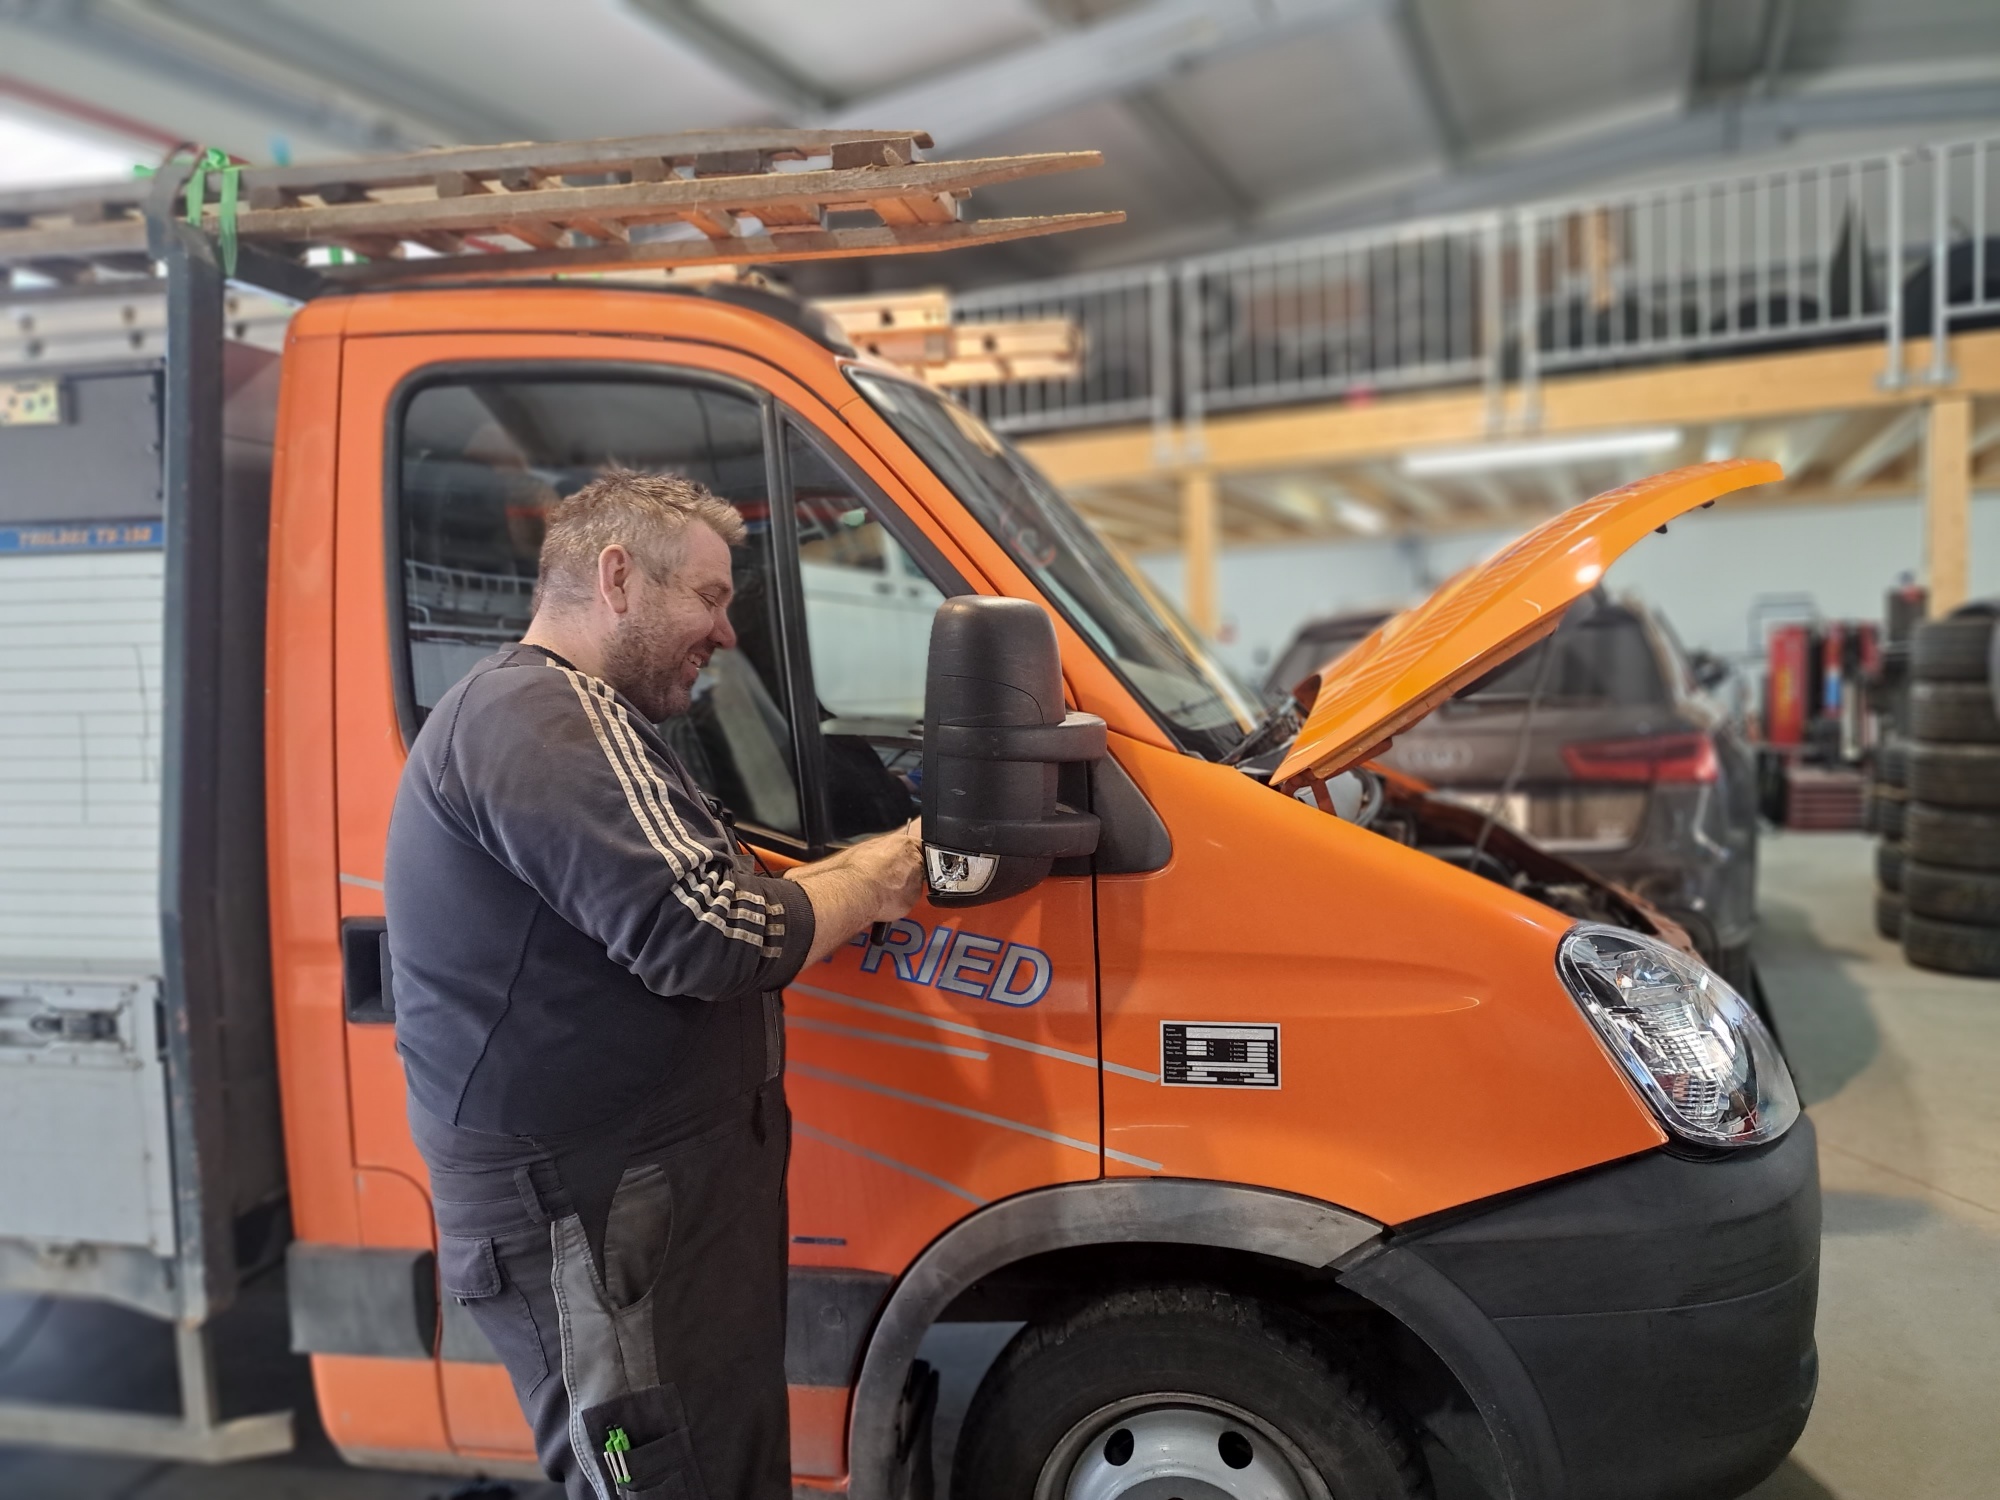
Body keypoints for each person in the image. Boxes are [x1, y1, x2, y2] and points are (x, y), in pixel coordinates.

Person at [385, 468, 925, 1500]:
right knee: (661, 1476)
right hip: (589, 1212)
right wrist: (881, 875)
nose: (726, 632)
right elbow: (709, 930)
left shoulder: (586, 721)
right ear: (619, 578)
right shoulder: (537, 717)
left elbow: (710, 888)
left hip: (637, 1203)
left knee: (713, 1463)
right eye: (710, 598)